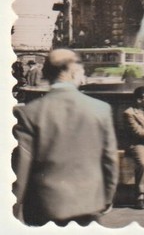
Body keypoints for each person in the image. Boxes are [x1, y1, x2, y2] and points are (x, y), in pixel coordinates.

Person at [13, 48, 118, 226]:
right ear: (74, 71)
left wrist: (14, 211)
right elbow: (110, 160)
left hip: (43, 206)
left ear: (46, 74)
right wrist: (107, 198)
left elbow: (20, 169)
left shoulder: (29, 113)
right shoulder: (100, 109)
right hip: (88, 202)